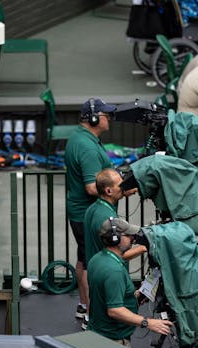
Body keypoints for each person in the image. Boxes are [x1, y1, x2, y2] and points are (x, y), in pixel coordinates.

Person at [64, 98, 116, 324]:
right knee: (91, 263)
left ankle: (83, 305)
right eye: (106, 115)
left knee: (83, 259)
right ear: (94, 119)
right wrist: (118, 190)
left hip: (80, 212)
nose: (110, 118)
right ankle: (91, 314)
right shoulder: (86, 146)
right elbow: (91, 186)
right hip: (87, 213)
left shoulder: (81, 138)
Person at [88, 218, 173, 347]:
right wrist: (148, 322)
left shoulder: (97, 259)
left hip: (99, 333)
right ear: (116, 239)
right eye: (128, 235)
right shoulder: (114, 271)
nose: (133, 238)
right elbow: (115, 310)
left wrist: (135, 295)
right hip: (113, 340)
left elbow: (105, 293)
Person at [84, 169, 146, 267]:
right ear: (109, 191)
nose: (124, 188)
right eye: (120, 185)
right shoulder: (107, 217)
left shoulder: (92, 209)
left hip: (96, 269)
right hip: (108, 270)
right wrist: (145, 246)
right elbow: (118, 254)